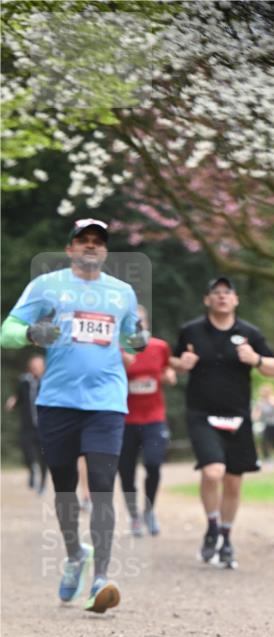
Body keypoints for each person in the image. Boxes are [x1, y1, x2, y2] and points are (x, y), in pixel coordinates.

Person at [0, 217, 147, 612]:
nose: (90, 246)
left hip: (106, 403)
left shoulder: (122, 293)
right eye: (83, 240)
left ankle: (100, 578)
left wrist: (139, 339)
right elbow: (6, 331)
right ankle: (74, 555)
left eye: (98, 241)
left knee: (101, 484)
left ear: (105, 250)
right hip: (57, 402)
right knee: (64, 488)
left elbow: (133, 338)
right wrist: (30, 335)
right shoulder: (47, 286)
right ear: (69, 249)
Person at [171, 276, 274, 568]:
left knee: (233, 482)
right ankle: (211, 526)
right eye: (215, 293)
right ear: (207, 300)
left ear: (235, 300)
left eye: (227, 292)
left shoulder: (249, 333)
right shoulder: (191, 331)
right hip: (201, 415)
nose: (222, 297)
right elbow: (173, 362)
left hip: (238, 416)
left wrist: (255, 359)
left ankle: (225, 537)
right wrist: (181, 365)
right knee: (212, 472)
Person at [118, 304, 175, 536]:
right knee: (126, 471)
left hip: (153, 417)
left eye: (140, 321)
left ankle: (149, 511)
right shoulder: (117, 350)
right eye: (132, 322)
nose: (137, 326)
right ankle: (133, 516)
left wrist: (168, 374)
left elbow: (166, 368)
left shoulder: (160, 347)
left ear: (147, 324)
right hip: (124, 420)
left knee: (153, 464)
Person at [5, 354, 48, 494]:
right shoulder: (24, 382)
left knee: (44, 456)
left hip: (44, 425)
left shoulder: (49, 382)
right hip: (28, 424)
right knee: (27, 450)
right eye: (34, 365)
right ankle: (32, 470)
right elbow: (18, 397)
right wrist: (13, 401)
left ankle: (42, 483)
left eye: (38, 365)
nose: (36, 368)